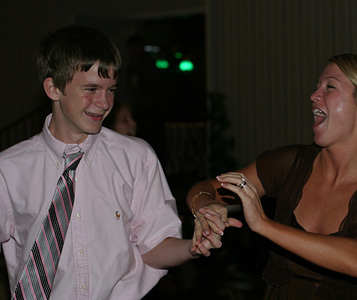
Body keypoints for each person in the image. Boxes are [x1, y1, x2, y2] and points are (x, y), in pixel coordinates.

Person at [0, 25, 219, 300]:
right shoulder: (8, 170)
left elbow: (153, 247)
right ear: (53, 88)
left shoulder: (136, 158)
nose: (104, 103)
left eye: (111, 89)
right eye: (91, 89)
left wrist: (192, 247)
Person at [186, 53, 357, 299]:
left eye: (330, 87)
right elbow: (207, 188)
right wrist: (206, 206)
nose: (313, 96)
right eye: (316, 86)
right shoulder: (288, 165)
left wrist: (263, 225)